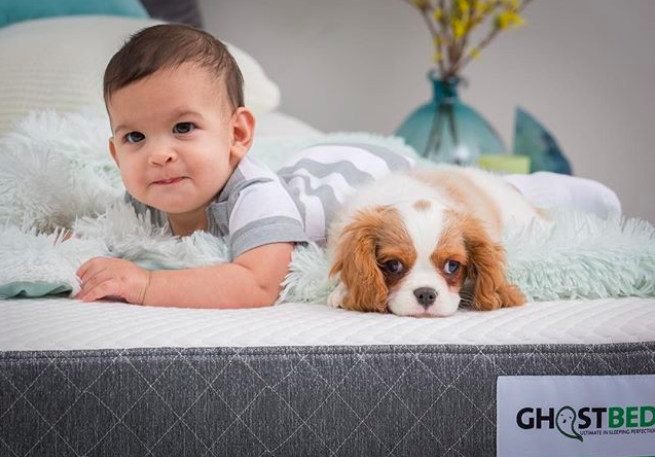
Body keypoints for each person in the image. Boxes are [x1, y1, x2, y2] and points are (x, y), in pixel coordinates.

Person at [74, 24, 621, 308]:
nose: (159, 153)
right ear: (115, 151)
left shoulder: (254, 195)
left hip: (359, 175)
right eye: (135, 137)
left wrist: (148, 286)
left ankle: (551, 191)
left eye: (184, 128)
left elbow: (254, 286)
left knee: (472, 195)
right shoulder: (147, 194)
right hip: (316, 169)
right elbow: (102, 233)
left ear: (238, 135)